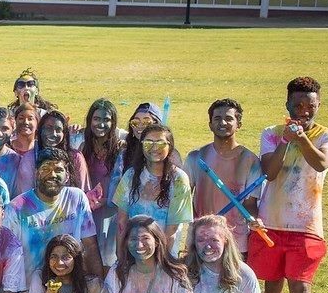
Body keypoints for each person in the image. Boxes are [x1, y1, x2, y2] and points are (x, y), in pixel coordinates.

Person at [249, 76, 328, 293]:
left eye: (310, 105)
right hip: (270, 223)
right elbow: (269, 172)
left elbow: (321, 163)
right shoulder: (271, 134)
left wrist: (301, 139)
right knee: (272, 287)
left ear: (318, 106)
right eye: (297, 104)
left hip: (306, 227)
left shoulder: (327, 136)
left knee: (301, 290)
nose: (303, 111)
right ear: (286, 104)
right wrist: (285, 140)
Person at [3, 148, 103, 279]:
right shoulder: (16, 208)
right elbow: (9, 258)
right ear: (36, 173)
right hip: (30, 289)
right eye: (45, 169)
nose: (52, 175)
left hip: (71, 284)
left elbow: (90, 245)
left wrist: (99, 283)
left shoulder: (76, 198)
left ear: (67, 176)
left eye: (58, 170)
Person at [184, 99, 263, 258]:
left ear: (238, 124)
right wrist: (195, 225)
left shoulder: (250, 160)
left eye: (229, 118)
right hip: (200, 239)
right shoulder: (195, 157)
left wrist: (253, 220)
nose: (223, 122)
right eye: (217, 118)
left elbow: (250, 203)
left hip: (235, 242)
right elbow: (184, 198)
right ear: (210, 124)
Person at [114, 124, 193, 259]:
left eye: (160, 143)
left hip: (164, 257)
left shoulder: (179, 180)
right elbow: (122, 222)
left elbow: (172, 230)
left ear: (170, 146)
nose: (154, 147)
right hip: (133, 252)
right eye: (148, 142)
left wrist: (160, 263)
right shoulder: (130, 175)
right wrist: (121, 256)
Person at [79, 99, 124, 268]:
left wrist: (108, 201)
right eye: (97, 119)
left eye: (106, 119)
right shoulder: (84, 147)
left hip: (112, 212)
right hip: (89, 212)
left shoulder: (120, 149)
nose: (101, 124)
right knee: (87, 258)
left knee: (108, 259)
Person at [36, 109, 90, 192]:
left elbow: (83, 192)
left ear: (64, 133)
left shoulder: (75, 157)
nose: (53, 134)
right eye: (48, 128)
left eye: (58, 130)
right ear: (40, 131)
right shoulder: (31, 157)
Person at [12, 103, 41, 195]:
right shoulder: (7, 147)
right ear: (15, 122)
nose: (25, 122)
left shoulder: (40, 150)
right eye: (21, 118)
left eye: (30, 119)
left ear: (37, 123)